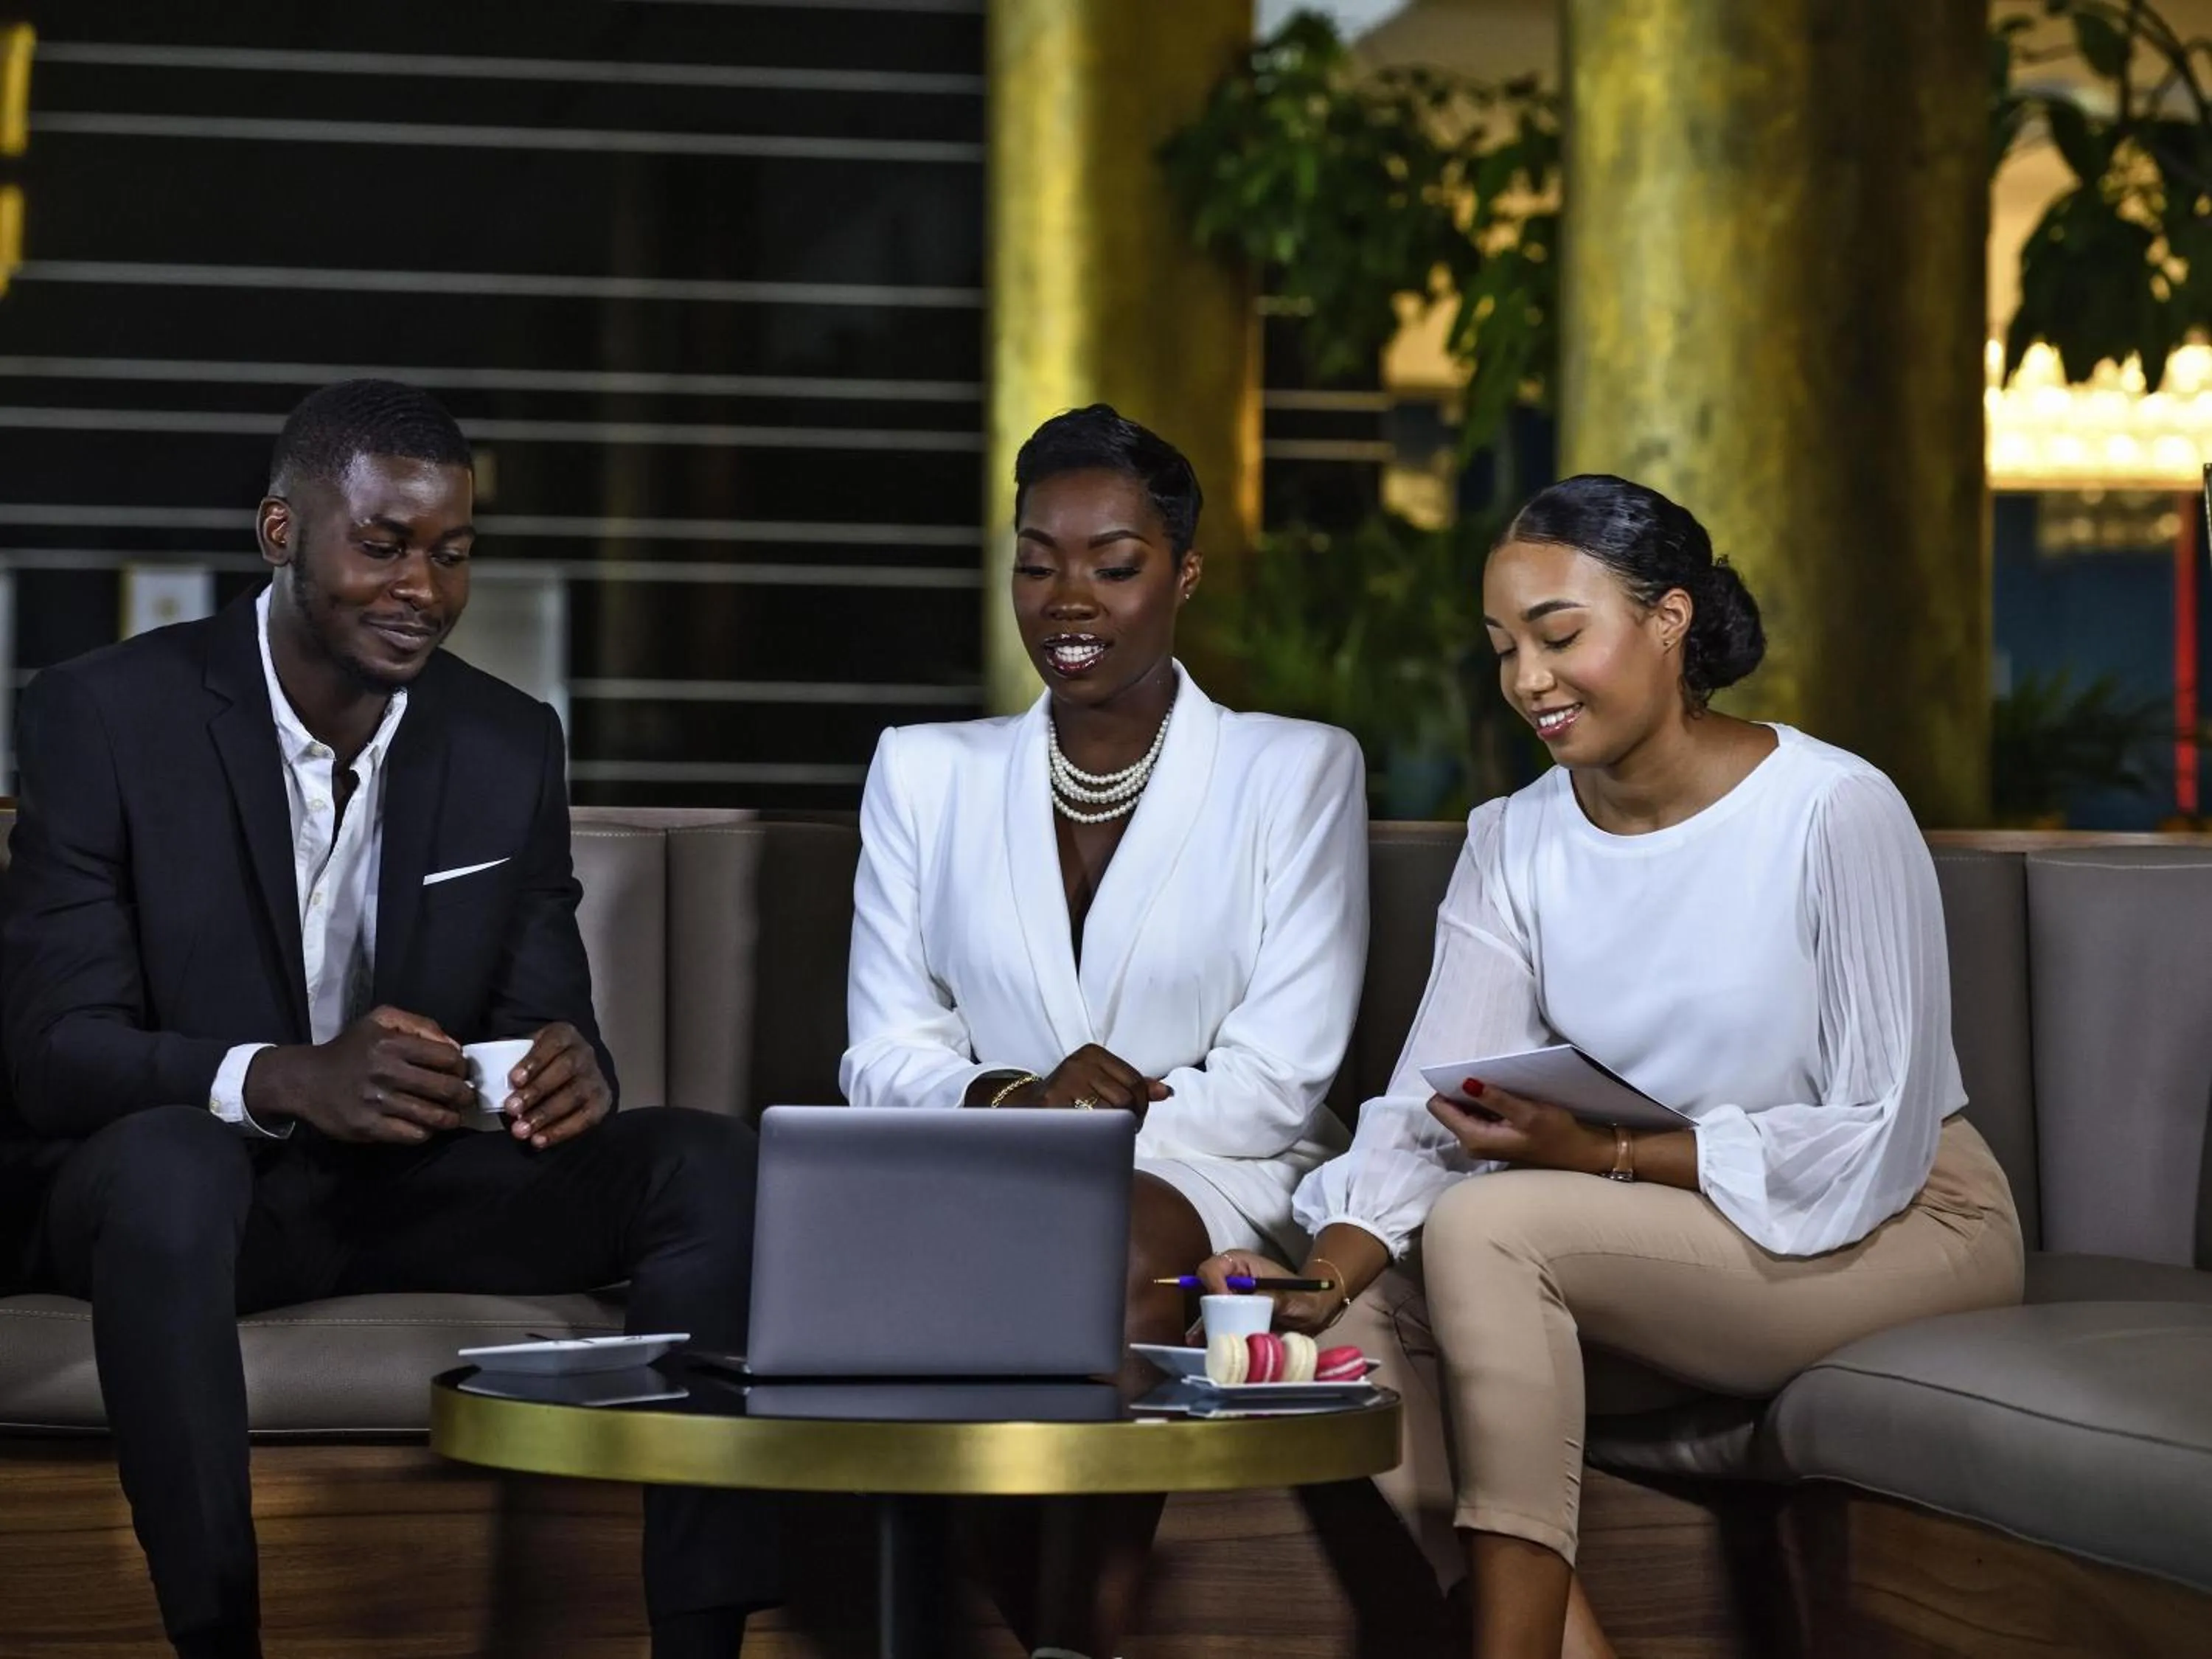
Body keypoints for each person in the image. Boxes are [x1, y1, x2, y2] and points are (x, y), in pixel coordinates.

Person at [0, 380, 777, 1659]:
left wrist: (568, 1067)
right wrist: (285, 1077)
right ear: (280, 533)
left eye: (453, 551)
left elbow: (544, 1013)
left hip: (406, 1189)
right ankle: (219, 1635)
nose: (424, 584)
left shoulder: (506, 742)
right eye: (384, 544)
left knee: (708, 1163)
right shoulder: (106, 715)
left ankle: (699, 1644)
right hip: (188, 1202)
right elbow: (52, 1051)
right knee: (171, 1164)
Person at [1199, 474, 2025, 1659]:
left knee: (1493, 1228)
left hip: (1903, 1221)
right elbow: (1437, 1102)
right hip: (1657, 1232)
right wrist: (1319, 1273)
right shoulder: (1515, 837)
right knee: (1333, 1322)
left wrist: (1608, 1154)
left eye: (1559, 635)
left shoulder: (1833, 808)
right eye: (1502, 648)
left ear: (1669, 620)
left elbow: (1875, 1129)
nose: (1527, 679)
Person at [840, 403, 1369, 1656]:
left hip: (1220, 1167)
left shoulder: (1293, 770)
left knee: (1108, 1240)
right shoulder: (924, 771)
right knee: (953, 1250)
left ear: (1181, 573)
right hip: (984, 1157)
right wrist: (1021, 1100)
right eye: (1036, 561)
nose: (1065, 597)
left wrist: (1103, 1127)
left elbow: (1280, 1077)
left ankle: (1074, 1632)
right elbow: (879, 1054)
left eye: (1112, 563)